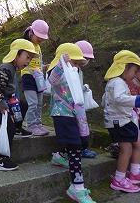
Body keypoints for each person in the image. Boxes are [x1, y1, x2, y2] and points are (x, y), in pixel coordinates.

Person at [102, 50, 140, 193]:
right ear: (125, 67)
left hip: (121, 119)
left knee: (137, 142)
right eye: (135, 70)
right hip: (119, 122)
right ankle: (119, 179)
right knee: (127, 149)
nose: (134, 74)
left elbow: (105, 100)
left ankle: (135, 172)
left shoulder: (115, 82)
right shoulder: (118, 82)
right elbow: (120, 99)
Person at [47, 43, 95, 202]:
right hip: (62, 113)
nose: (76, 66)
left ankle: (59, 155)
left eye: (78, 63)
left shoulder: (74, 73)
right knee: (75, 145)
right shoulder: (59, 72)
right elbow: (52, 81)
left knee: (80, 141)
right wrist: (61, 64)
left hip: (75, 114)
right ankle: (78, 186)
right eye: (74, 63)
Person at [0, 39, 38, 171]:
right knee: (9, 127)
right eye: (27, 57)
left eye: (30, 59)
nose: (28, 62)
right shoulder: (6, 68)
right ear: (16, 54)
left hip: (7, 101)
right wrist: (2, 104)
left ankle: (18, 128)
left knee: (23, 105)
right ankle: (2, 160)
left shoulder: (13, 68)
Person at [21, 19, 50, 136]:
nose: (40, 39)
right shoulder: (26, 44)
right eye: (38, 36)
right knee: (32, 102)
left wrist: (44, 67)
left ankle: (38, 124)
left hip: (38, 77)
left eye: (42, 38)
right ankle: (30, 125)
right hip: (28, 76)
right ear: (31, 33)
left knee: (39, 102)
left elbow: (38, 63)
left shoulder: (38, 47)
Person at [75, 40, 98, 158]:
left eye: (87, 59)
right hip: (71, 105)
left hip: (79, 104)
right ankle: (80, 149)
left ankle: (83, 148)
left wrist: (83, 88)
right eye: (83, 57)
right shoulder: (71, 69)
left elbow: (78, 86)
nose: (85, 61)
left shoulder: (79, 71)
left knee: (83, 127)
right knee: (78, 128)